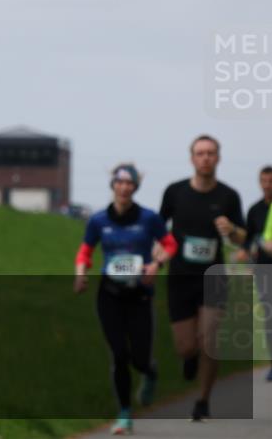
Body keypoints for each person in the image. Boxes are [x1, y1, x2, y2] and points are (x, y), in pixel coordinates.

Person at [75, 164, 177, 435]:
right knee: (119, 355)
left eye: (129, 183)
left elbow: (170, 244)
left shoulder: (148, 218)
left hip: (139, 295)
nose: (124, 188)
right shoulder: (98, 220)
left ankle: (149, 372)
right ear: (113, 186)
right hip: (109, 296)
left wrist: (156, 264)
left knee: (140, 359)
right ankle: (124, 414)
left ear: (135, 187)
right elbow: (85, 251)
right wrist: (80, 273)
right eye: (119, 183)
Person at [159, 135, 246, 422]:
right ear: (192, 158)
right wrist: (157, 255)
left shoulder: (229, 196)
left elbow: (243, 237)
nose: (205, 158)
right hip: (180, 277)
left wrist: (231, 230)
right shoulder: (175, 192)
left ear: (218, 158)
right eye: (200, 153)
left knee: (210, 339)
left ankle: (203, 401)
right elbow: (159, 229)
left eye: (210, 153)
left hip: (213, 277)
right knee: (185, 346)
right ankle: (189, 357)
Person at [237, 166, 272, 380]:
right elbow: (249, 239)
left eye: (271, 181)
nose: (267, 185)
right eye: (264, 181)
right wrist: (245, 254)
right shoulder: (254, 210)